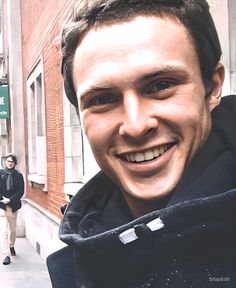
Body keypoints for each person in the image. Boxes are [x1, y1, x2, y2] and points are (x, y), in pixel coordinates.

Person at [47, 0, 236, 287]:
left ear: (213, 87)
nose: (135, 126)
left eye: (161, 85)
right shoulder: (80, 256)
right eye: (102, 99)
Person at [0, 153, 24, 265]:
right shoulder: (0, 173)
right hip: (2, 205)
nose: (10, 163)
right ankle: (6, 255)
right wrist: (2, 199)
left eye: (12, 162)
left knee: (13, 230)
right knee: (4, 230)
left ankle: (11, 245)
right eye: (8, 161)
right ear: (5, 162)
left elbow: (20, 192)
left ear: (15, 163)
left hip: (13, 205)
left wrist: (9, 199)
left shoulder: (18, 176)